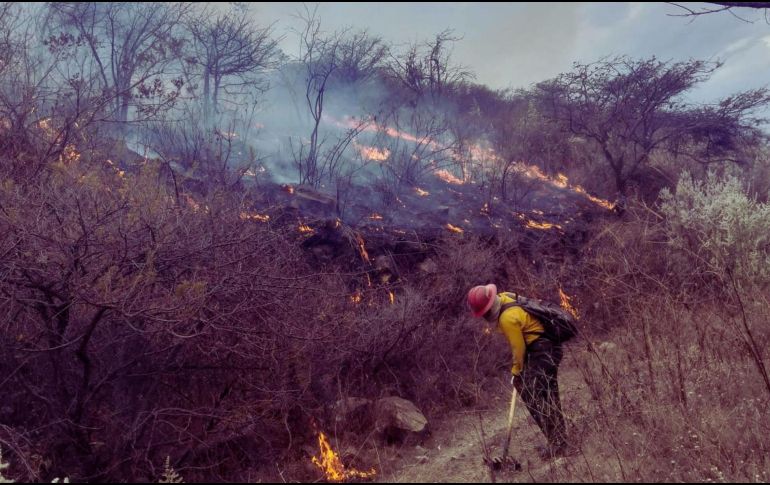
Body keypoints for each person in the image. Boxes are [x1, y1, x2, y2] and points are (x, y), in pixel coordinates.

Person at [467, 283, 570, 459]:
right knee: (548, 393)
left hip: (542, 351)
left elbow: (519, 349)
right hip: (549, 348)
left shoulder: (506, 318)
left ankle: (557, 444)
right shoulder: (506, 296)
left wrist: (516, 372)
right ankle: (559, 441)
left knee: (533, 395)